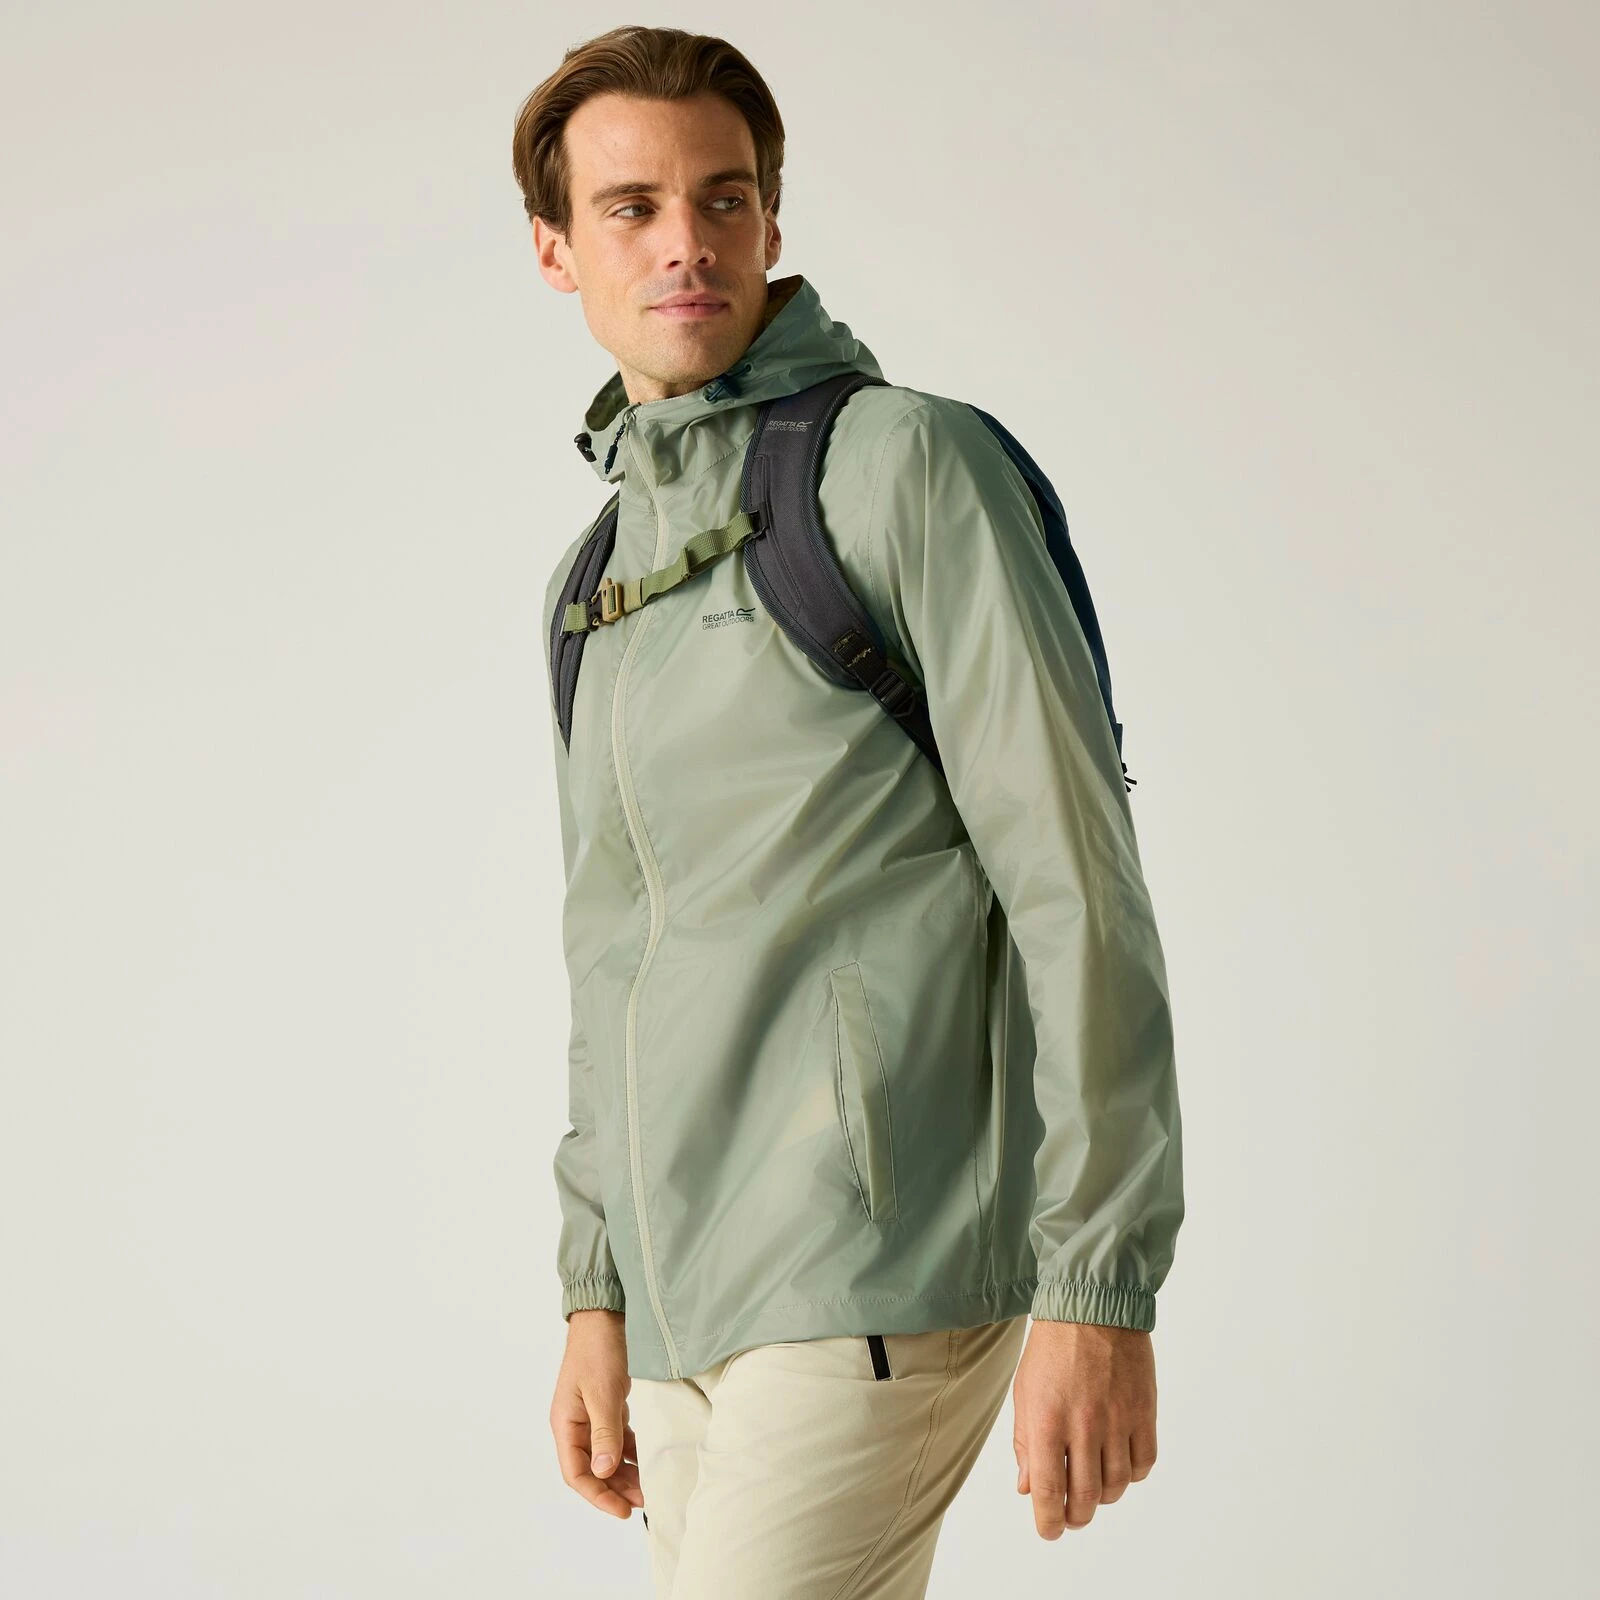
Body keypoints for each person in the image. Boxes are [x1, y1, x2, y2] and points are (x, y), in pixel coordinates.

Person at [511, 24, 1184, 1597]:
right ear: (556, 249)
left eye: (724, 198)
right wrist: (597, 1288)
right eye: (631, 208)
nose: (686, 243)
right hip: (684, 1306)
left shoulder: (905, 470)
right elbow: (613, 956)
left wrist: (1099, 1285)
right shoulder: (593, 582)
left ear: (770, 219)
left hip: (880, 1261)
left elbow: (1076, 877)